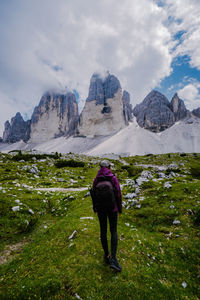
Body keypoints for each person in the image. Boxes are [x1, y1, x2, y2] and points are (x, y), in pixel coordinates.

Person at [92, 160, 122, 272]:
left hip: (101, 210)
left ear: (100, 167)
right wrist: (119, 208)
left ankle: (106, 255)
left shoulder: (96, 179)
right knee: (113, 231)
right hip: (112, 208)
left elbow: (93, 194)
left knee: (103, 231)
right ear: (109, 167)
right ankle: (114, 259)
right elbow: (118, 193)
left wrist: (95, 208)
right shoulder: (113, 178)